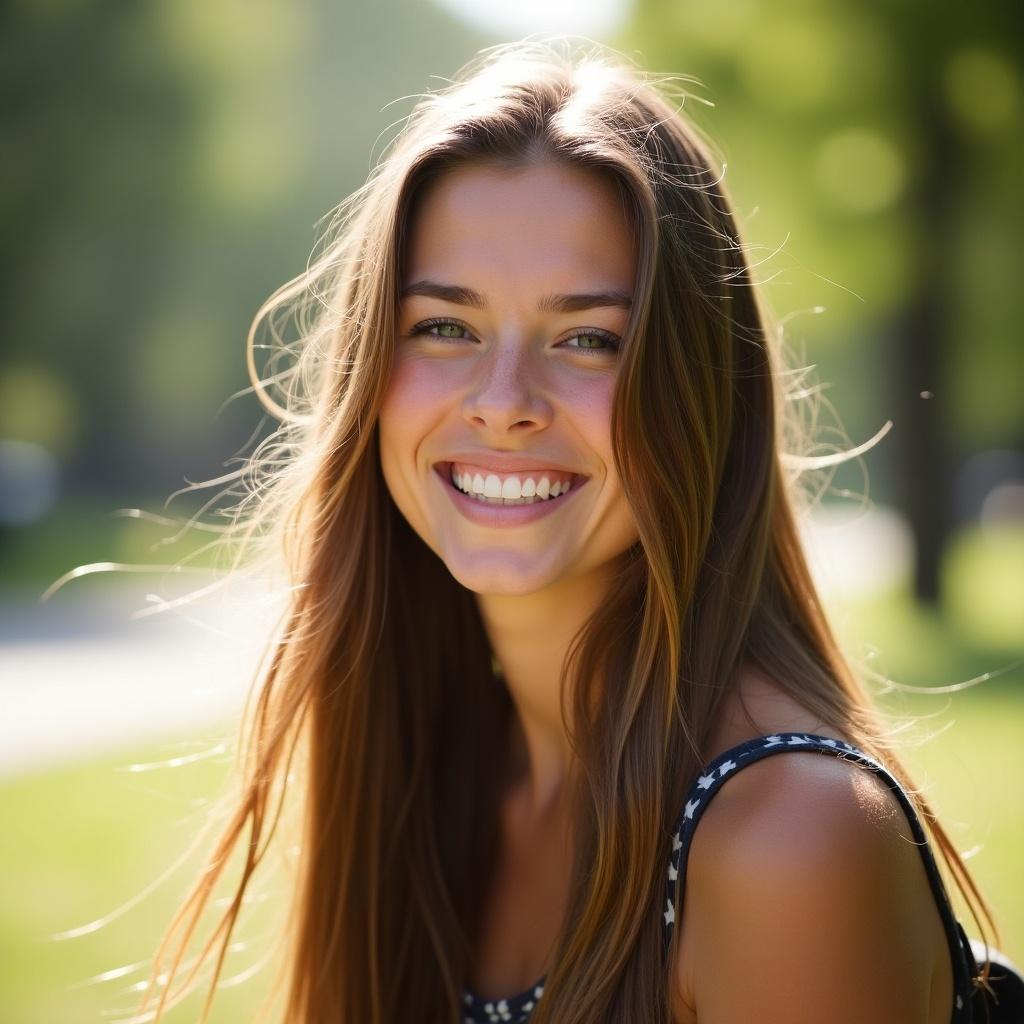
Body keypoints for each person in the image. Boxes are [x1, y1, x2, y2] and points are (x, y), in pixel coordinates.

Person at [139, 39, 1009, 1024]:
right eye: (444, 327)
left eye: (588, 339)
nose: (503, 403)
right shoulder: (437, 765)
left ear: (700, 394)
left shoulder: (787, 834)